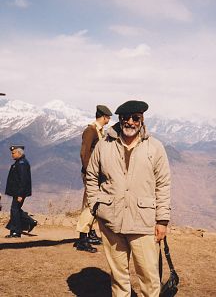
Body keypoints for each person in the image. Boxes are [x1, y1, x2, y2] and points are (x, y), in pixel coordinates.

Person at [86, 100, 171, 296]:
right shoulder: (103, 145)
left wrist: (162, 220)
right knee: (119, 278)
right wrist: (95, 206)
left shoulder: (155, 147)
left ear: (142, 119)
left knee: (149, 278)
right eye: (126, 118)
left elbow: (163, 185)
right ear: (120, 119)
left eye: (136, 118)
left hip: (143, 222)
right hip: (111, 221)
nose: (130, 122)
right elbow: (91, 176)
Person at [74, 104, 113, 253]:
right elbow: (84, 153)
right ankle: (82, 239)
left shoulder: (99, 131)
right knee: (90, 205)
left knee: (96, 204)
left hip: (98, 174)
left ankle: (89, 233)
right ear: (104, 117)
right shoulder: (90, 131)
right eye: (108, 117)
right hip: (92, 174)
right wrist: (90, 173)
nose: (109, 119)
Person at [5, 145, 36, 238]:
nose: (12, 155)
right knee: (16, 209)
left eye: (13, 153)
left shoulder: (22, 164)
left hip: (19, 192)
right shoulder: (19, 163)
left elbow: (23, 180)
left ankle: (16, 232)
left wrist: (20, 194)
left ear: (19, 153)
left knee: (14, 210)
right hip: (17, 192)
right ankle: (30, 222)